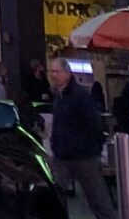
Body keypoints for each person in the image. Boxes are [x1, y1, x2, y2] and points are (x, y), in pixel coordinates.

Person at [46, 58, 117, 219]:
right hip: (63, 154)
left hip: (83, 155)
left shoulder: (80, 95)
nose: (53, 75)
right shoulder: (59, 96)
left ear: (67, 73)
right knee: (55, 194)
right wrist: (55, 145)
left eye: (56, 71)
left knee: (97, 198)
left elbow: (93, 123)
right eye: (52, 71)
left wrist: (89, 147)